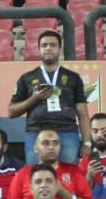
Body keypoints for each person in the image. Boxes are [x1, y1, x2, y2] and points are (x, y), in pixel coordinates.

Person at [8, 29, 92, 165]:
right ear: (39, 49)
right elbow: (11, 111)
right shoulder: (27, 78)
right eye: (44, 45)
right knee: (36, 174)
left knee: (67, 174)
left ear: (59, 49)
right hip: (36, 132)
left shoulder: (73, 77)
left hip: (67, 132)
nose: (48, 48)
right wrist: (34, 98)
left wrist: (87, 142)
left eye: (53, 45)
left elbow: (82, 113)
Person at [6, 128, 97, 199]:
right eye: (45, 143)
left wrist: (63, 192)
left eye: (55, 143)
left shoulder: (74, 172)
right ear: (36, 148)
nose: (51, 147)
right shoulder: (23, 174)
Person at [81, 112, 106, 196]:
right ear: (90, 133)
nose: (99, 135)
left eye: (104, 130)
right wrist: (89, 176)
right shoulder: (85, 160)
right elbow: (81, 194)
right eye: (95, 131)